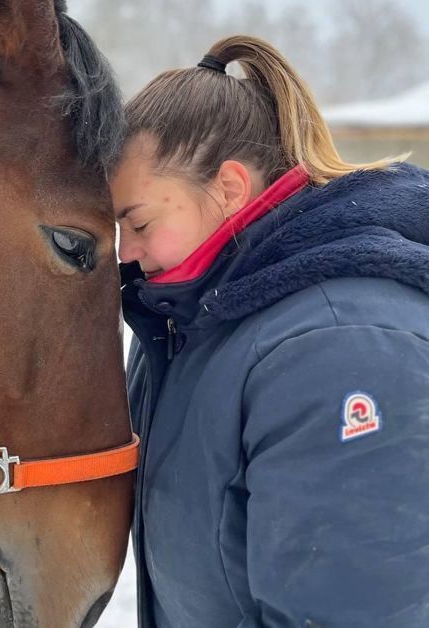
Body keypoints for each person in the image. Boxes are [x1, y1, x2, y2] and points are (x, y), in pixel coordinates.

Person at [111, 36, 429, 628]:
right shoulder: (184, 323)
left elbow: (354, 610)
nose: (125, 254)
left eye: (140, 223)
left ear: (229, 188)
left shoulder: (340, 345)